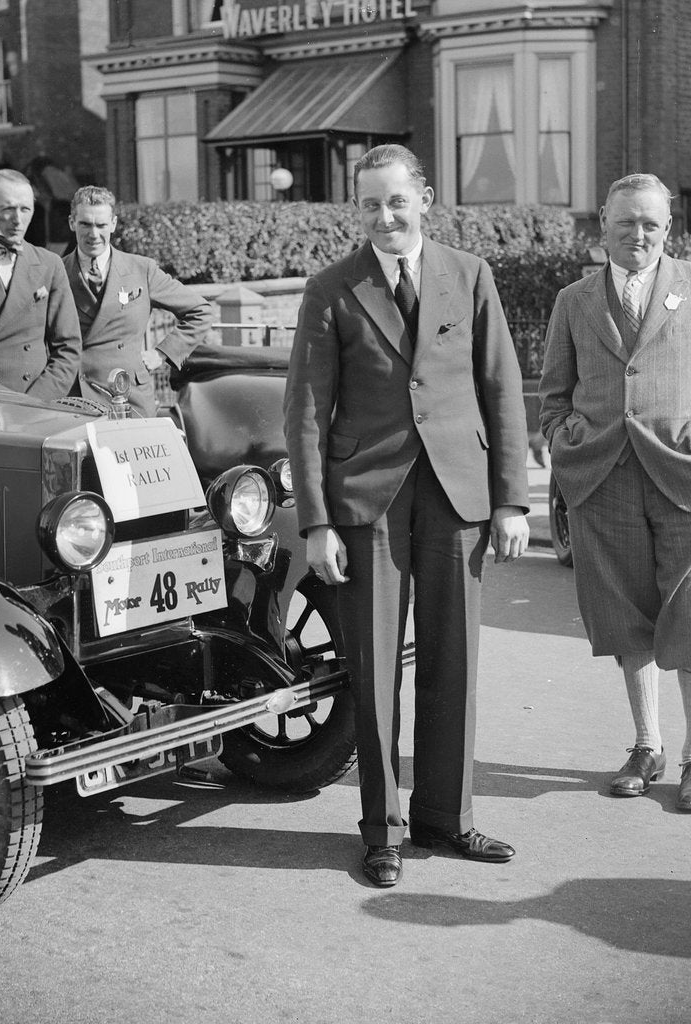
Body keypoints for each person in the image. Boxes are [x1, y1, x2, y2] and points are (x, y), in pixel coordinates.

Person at [283, 144, 530, 888]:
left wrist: (511, 499)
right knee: (375, 670)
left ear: (423, 197)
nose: (384, 217)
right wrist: (318, 522)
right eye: (370, 204)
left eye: (396, 200)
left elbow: (501, 387)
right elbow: (305, 411)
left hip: (458, 495)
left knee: (455, 661)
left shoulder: (470, 274)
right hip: (369, 500)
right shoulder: (332, 288)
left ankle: (447, 819)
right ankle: (383, 830)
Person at [540, 172, 691, 811]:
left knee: (689, 616)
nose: (638, 234)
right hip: (603, 476)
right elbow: (553, 393)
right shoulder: (573, 300)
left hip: (682, 477)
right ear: (603, 223)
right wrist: (564, 440)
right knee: (626, 615)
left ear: (669, 228)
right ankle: (647, 745)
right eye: (625, 221)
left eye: (651, 223)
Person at [63, 186, 213, 417]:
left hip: (127, 395)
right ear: (72, 223)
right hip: (76, 398)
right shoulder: (57, 271)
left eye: (101, 225)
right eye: (85, 224)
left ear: (113, 224)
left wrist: (160, 354)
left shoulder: (141, 270)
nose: (93, 234)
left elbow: (200, 311)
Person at [0, 169, 81, 401]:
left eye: (25, 209)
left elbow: (68, 348)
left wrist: (35, 402)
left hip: (34, 402)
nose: (18, 220)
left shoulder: (49, 265)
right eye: (8, 209)